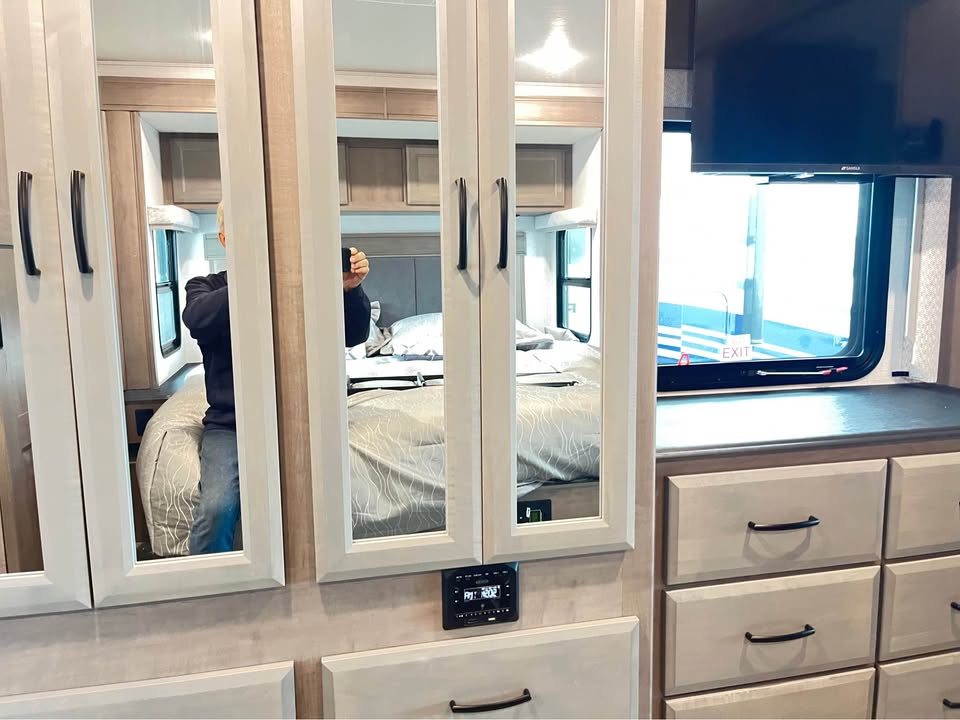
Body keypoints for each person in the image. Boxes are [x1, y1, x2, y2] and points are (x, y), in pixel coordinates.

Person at [183, 202, 371, 554]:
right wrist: (257, 274)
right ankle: (210, 589)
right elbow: (198, 320)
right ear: (224, 239)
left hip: (303, 419)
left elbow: (355, 334)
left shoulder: (305, 285)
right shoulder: (205, 286)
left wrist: (349, 290)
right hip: (232, 424)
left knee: (336, 502)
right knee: (216, 509)